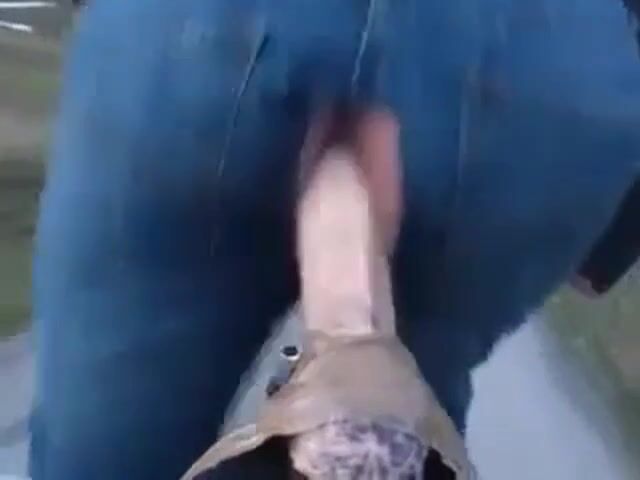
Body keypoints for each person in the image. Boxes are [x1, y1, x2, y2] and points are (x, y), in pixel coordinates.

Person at [31, 0, 640, 478]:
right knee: (414, 402)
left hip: (213, 26)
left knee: (115, 441)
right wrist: (614, 237)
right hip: (541, 59)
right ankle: (384, 414)